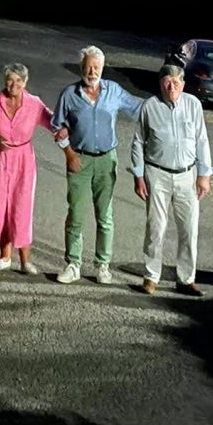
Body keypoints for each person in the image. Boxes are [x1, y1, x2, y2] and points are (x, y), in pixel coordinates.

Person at [51, 45, 143, 285]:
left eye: (96, 67)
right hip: (79, 159)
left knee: (105, 216)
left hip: (106, 159)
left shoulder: (114, 91)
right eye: (88, 67)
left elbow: (138, 108)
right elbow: (57, 127)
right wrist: (69, 154)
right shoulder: (69, 94)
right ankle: (73, 264)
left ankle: (102, 265)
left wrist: (165, 103)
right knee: (76, 215)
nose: (92, 72)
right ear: (81, 68)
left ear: (102, 68)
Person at [131, 62, 213, 296]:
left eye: (176, 82)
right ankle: (151, 276)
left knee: (189, 229)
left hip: (187, 175)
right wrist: (138, 175)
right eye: (167, 82)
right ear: (160, 84)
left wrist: (204, 174)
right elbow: (138, 142)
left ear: (183, 84)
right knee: (155, 227)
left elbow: (202, 140)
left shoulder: (193, 105)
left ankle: (186, 279)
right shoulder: (150, 106)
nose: (171, 87)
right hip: (157, 174)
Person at [0, 63, 58, 274]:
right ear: (5, 81)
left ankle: (25, 260)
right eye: (10, 80)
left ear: (25, 82)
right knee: (2, 205)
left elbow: (54, 123)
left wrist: (68, 125)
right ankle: (5, 256)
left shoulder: (34, 103)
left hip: (23, 160)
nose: (14, 85)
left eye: (19, 81)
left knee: (22, 207)